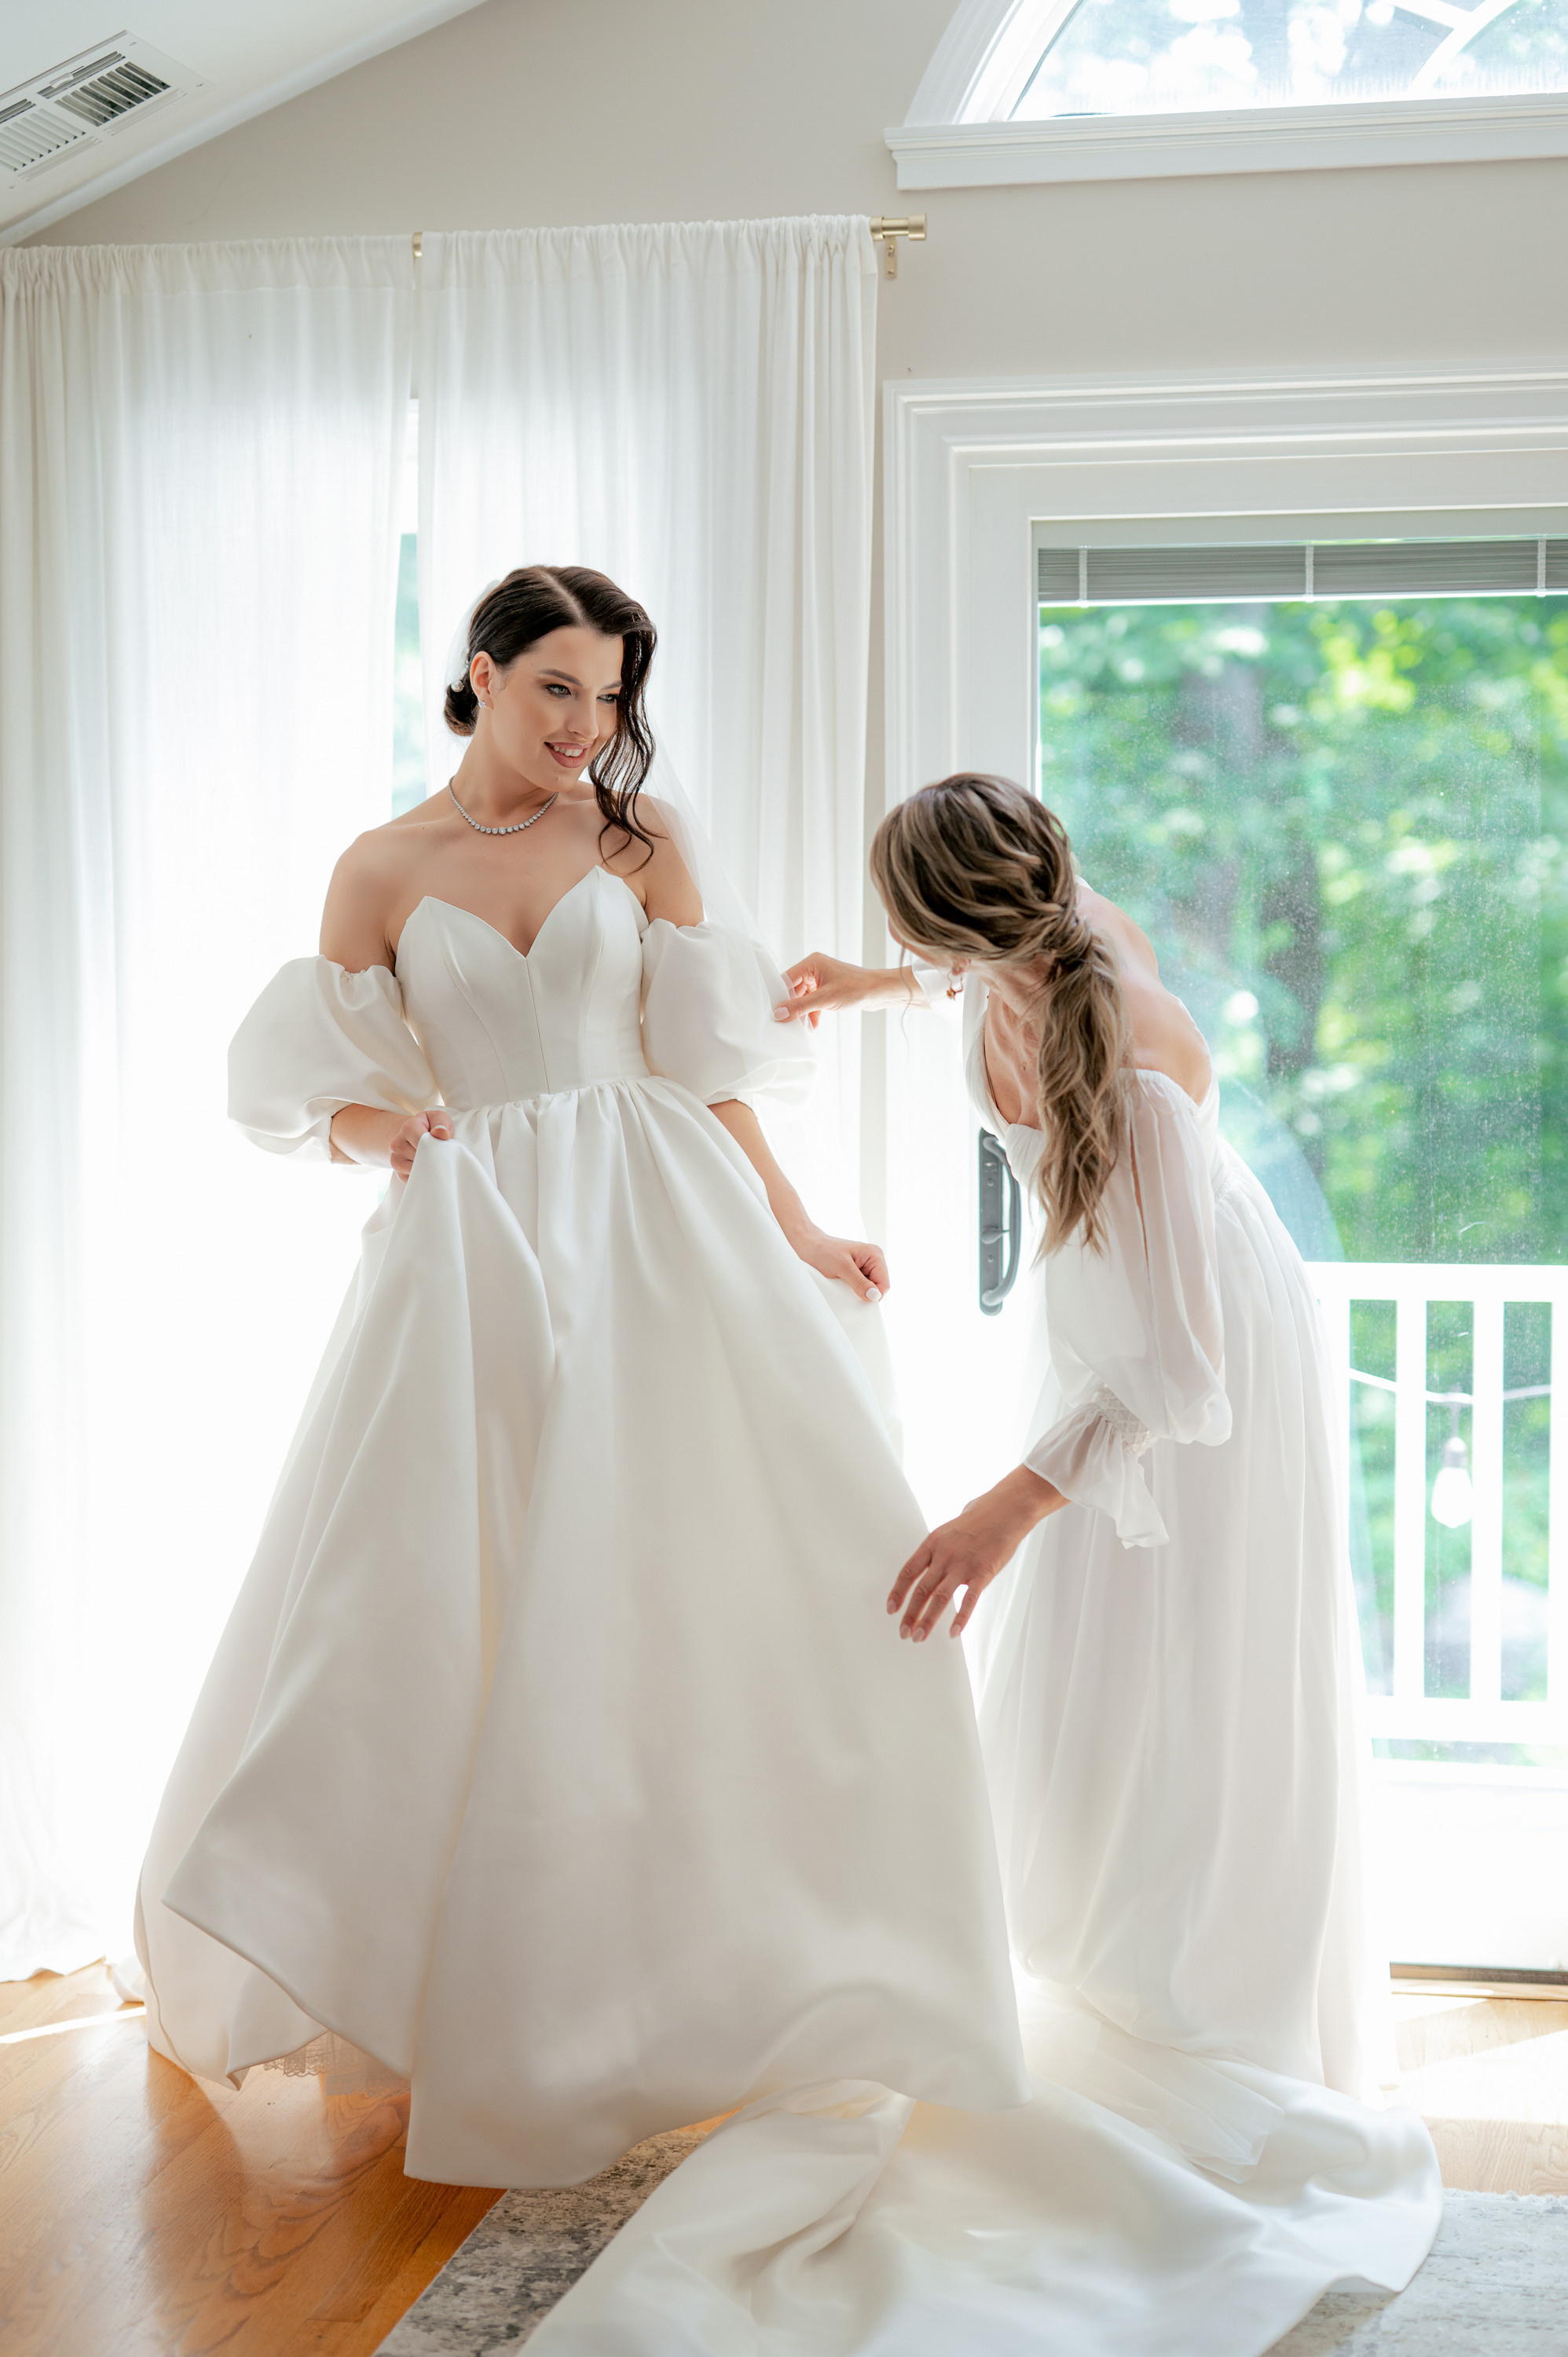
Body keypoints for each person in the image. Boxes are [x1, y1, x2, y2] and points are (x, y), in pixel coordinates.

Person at [523, 773, 1440, 2356]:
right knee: (1100, 1658)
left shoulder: (1128, 1046)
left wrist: (993, 1518)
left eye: (905, 931)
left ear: (952, 913)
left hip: (1193, 1369)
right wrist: (871, 984)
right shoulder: (1032, 944)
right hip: (1113, 1339)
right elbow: (971, 971)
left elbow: (1174, 1374)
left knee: (1182, 1662)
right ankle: (1075, 1938)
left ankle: (1188, 1996)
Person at [132, 576, 1028, 2190]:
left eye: (607, 701)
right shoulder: (381, 870)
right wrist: (388, 1133)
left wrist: (802, 1225)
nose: (580, 733)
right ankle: (481, 1999)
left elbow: (698, 1062)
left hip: (659, 1222)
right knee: (449, 1603)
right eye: (554, 691)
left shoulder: (640, 839)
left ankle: (733, 1979)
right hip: (474, 1252)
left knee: (702, 1590)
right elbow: (308, 1095)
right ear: (475, 677)